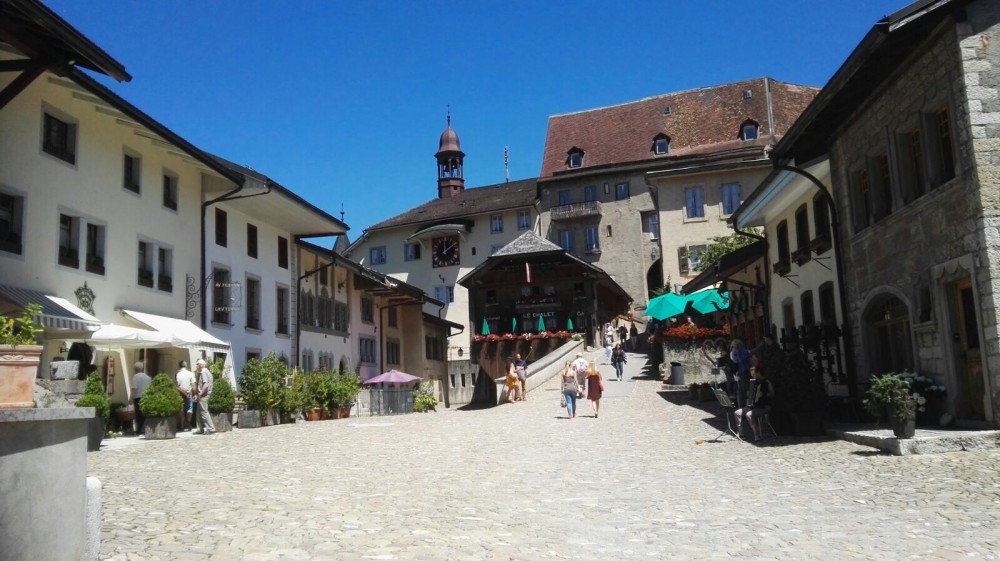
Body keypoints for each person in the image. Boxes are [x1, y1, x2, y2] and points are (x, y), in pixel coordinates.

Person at [734, 367, 774, 442]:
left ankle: (757, 435)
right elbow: (750, 395)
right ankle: (741, 434)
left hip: (764, 406)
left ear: (758, 373)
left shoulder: (766, 382)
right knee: (737, 413)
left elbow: (772, 394)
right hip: (753, 406)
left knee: (749, 414)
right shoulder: (753, 382)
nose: (752, 376)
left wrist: (763, 394)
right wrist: (750, 395)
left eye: (754, 374)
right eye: (751, 374)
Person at [193, 359, 215, 435]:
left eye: (197, 365)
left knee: (204, 412)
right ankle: (200, 429)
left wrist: (200, 393)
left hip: (204, 395)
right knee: (199, 412)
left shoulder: (204, 373)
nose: (196, 367)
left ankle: (210, 428)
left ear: (200, 365)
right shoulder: (207, 372)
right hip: (204, 395)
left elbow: (206, 385)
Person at [729, 339, 752, 409]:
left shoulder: (744, 351)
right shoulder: (733, 352)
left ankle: (745, 406)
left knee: (744, 390)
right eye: (735, 345)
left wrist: (738, 352)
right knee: (740, 391)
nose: (736, 346)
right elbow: (735, 360)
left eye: (738, 345)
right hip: (738, 373)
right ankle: (741, 407)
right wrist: (736, 351)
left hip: (746, 371)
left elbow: (742, 359)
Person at [131, 361, 152, 435]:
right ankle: (145, 429)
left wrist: (130, 398)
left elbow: (134, 388)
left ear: (135, 369)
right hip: (146, 397)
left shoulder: (135, 377)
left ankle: (139, 430)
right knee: (145, 414)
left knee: (138, 414)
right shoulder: (148, 377)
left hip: (138, 397)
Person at [175, 360, 196, 431]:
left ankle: (182, 425)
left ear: (179, 366)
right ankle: (188, 422)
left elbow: (176, 385)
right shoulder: (190, 373)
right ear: (186, 366)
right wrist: (195, 393)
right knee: (189, 408)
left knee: (181, 409)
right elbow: (193, 385)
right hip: (188, 393)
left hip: (180, 393)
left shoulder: (178, 374)